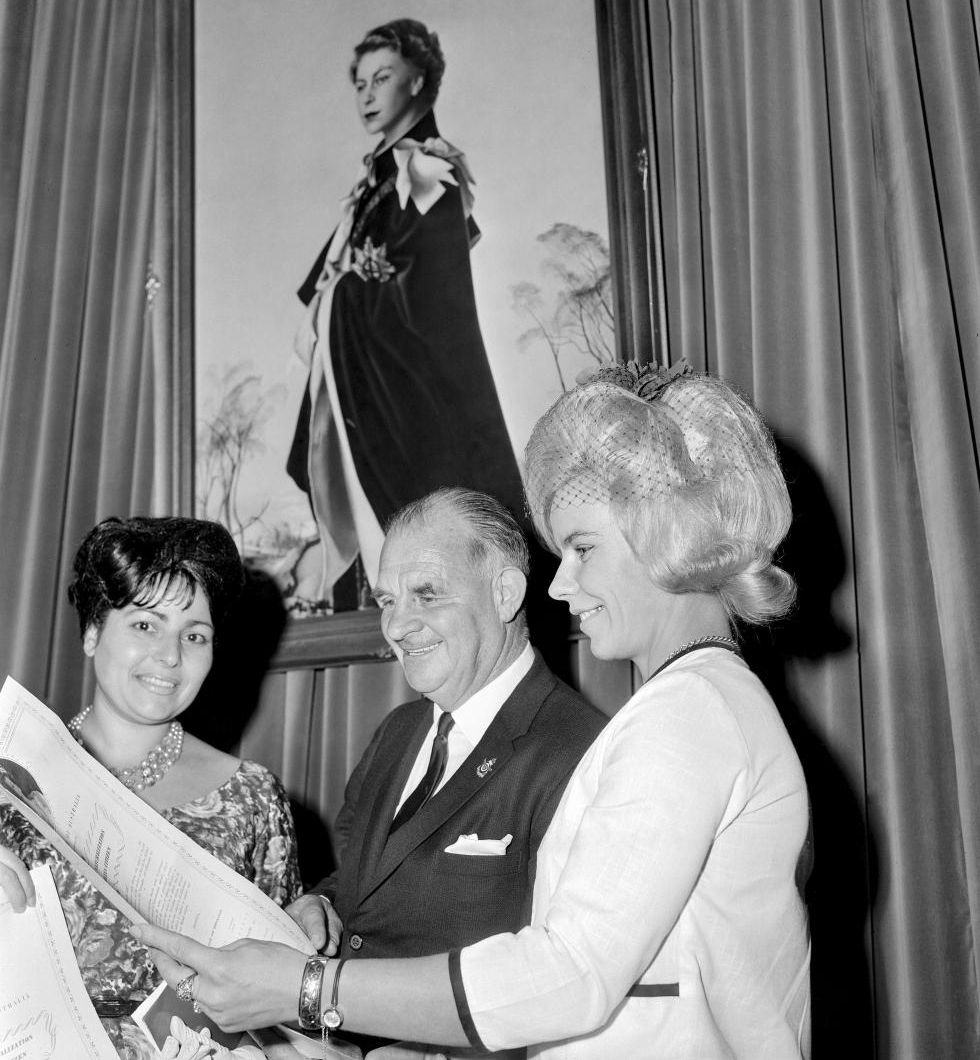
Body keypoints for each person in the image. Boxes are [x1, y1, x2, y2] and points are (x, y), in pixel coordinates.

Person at [137, 361, 812, 1060]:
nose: (561, 585)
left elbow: (569, 973)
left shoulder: (688, 711)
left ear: (669, 531)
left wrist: (307, 990)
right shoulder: (697, 699)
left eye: (582, 548)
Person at [284, 487, 606, 1055]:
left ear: (505, 593)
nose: (396, 626)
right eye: (388, 600)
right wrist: (324, 906)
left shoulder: (580, 749)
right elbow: (371, 882)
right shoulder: (398, 732)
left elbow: (569, 980)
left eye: (426, 595)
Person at [0, 516, 301, 1060]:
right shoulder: (10, 779)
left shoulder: (253, 799)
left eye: (194, 635)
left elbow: (284, 1005)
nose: (170, 654)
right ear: (92, 633)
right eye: (145, 625)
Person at [287, 19, 525, 601]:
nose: (367, 94)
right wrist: (344, 292)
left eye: (382, 78)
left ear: (418, 81)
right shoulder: (376, 178)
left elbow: (431, 299)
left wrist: (351, 293)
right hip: (365, 378)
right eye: (360, 83)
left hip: (412, 393)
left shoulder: (426, 171)